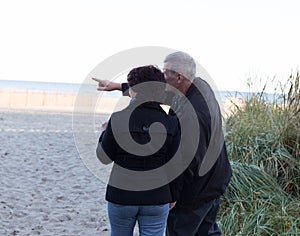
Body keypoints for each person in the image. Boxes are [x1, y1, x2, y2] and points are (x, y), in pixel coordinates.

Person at [94, 51, 232, 236]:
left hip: (197, 190)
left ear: (179, 77)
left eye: (165, 72)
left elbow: (186, 161)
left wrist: (173, 196)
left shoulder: (192, 118)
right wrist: (119, 86)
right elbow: (157, 94)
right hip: (217, 179)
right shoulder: (198, 86)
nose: (161, 75)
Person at [96, 65, 182, 236]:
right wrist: (173, 195)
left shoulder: (118, 119)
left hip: (122, 195)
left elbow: (103, 157)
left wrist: (105, 133)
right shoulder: (171, 122)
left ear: (134, 90)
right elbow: (175, 163)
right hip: (157, 196)